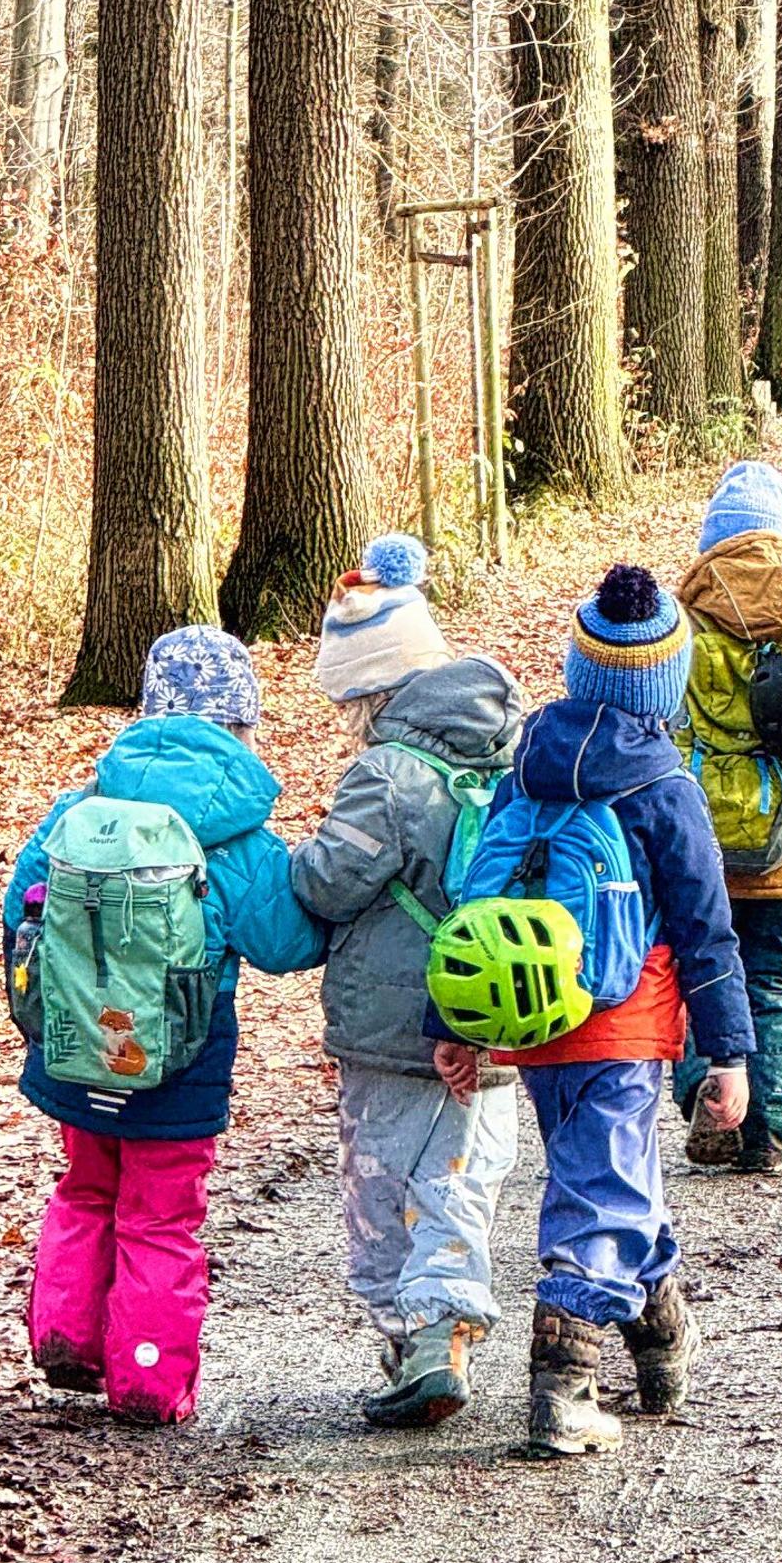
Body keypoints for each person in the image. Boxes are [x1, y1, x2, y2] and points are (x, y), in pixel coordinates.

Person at [457, 565, 755, 1457]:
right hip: (622, 1026)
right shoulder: (663, 787)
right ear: (667, 685)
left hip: (531, 1025)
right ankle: (564, 1389)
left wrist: (457, 1027)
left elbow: (473, 902)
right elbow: (708, 933)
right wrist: (729, 1056)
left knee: (611, 1175)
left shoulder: (525, 769)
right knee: (600, 1191)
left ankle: (661, 1340)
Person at [4, 627, 324, 1425]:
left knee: (84, 1189)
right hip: (179, 1059)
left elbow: (20, 916)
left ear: (146, 710)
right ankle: (147, 1377)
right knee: (160, 1216)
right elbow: (286, 942)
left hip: (76, 1050)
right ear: (241, 721)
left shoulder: (78, 811)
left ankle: (66, 1336)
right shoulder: (238, 837)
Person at [291, 534, 525, 1429]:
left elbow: (326, 882)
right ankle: (445, 1329)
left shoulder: (383, 774)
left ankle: (407, 1335)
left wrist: (299, 859)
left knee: (382, 1186)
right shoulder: (510, 750)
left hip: (390, 1030)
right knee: (464, 1177)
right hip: (494, 1011)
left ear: (371, 690)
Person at [670, 461, 782, 1175]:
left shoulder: (680, 626)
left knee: (697, 973)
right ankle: (773, 1130)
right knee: (772, 975)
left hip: (698, 842)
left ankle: (705, 1104)